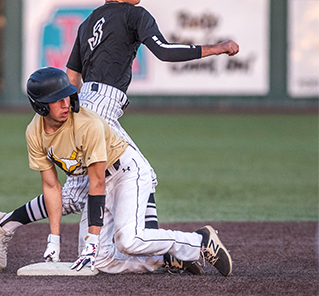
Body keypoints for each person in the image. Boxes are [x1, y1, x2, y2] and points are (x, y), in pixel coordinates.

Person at [0, 0, 239, 272]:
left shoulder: (89, 22)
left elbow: (72, 76)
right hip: (101, 105)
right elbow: (164, 51)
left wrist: (73, 114)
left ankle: (4, 224)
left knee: (76, 196)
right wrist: (216, 48)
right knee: (135, 173)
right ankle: (175, 248)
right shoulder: (134, 15)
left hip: (82, 99)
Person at [28, 67, 233, 275]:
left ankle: (199, 242)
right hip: (101, 181)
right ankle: (165, 259)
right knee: (99, 261)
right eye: (57, 100)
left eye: (68, 96)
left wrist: (92, 240)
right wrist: (54, 240)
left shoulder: (87, 124)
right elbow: (51, 186)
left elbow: (97, 183)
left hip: (126, 172)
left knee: (128, 240)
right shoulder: (34, 133)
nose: (66, 104)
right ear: (41, 107)